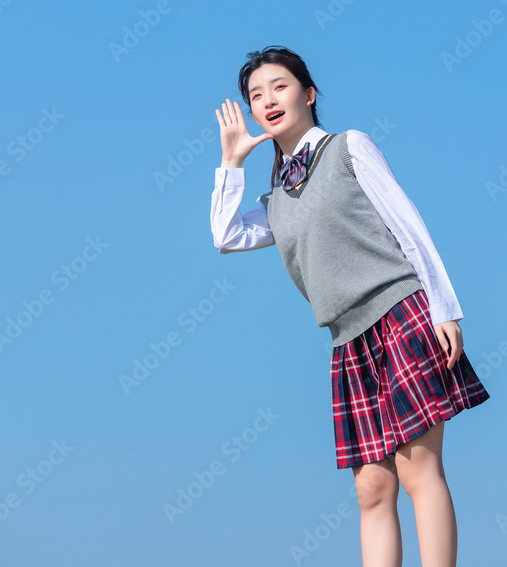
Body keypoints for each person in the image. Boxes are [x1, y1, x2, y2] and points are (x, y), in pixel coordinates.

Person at [209, 45, 490, 567]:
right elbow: (226, 235)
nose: (267, 100)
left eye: (279, 86)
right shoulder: (279, 197)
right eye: (255, 95)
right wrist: (232, 161)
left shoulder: (348, 147)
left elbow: (409, 226)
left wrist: (445, 308)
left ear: (309, 94)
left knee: (417, 471)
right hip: (347, 340)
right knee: (371, 492)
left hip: (401, 314)